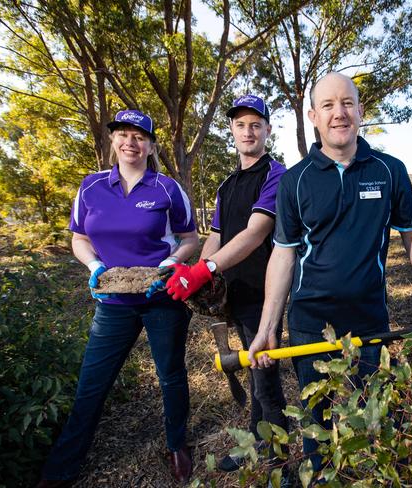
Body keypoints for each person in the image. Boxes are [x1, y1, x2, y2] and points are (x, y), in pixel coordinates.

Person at [247, 72, 412, 475]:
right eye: (328, 105)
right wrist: (267, 326)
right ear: (313, 115)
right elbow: (283, 255)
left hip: (370, 326)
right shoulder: (294, 181)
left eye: (347, 103)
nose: (339, 113)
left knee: (378, 423)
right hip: (310, 326)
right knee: (317, 427)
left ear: (361, 111)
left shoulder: (390, 170)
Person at [37, 110, 199, 487]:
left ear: (151, 145)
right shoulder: (91, 187)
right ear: (112, 141)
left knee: (170, 375)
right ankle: (60, 469)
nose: (131, 142)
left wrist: (170, 263)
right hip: (112, 302)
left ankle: (177, 443)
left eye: (139, 136)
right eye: (123, 134)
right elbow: (79, 238)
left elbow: (190, 238)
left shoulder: (167, 189)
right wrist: (93, 265)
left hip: (161, 297)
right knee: (92, 383)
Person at [165, 95, 290, 480]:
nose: (248, 131)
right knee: (254, 371)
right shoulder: (227, 183)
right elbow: (216, 234)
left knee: (266, 376)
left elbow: (256, 232)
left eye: (256, 124)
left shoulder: (277, 174)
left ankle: (282, 461)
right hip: (233, 292)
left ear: (267, 130)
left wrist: (206, 268)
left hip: (262, 290)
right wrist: (199, 272)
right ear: (232, 131)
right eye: (240, 125)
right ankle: (255, 444)